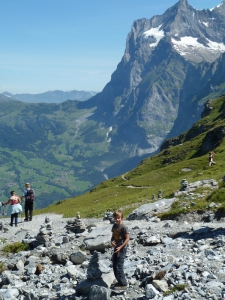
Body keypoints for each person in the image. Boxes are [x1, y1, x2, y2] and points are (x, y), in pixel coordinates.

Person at [111, 210, 130, 290]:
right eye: (116, 218)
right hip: (116, 247)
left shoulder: (123, 227)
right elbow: (113, 236)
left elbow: (127, 238)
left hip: (122, 248)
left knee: (119, 266)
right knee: (114, 265)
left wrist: (121, 247)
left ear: (121, 218)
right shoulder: (114, 226)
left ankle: (123, 284)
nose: (117, 219)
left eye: (118, 218)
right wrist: (111, 241)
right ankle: (119, 281)